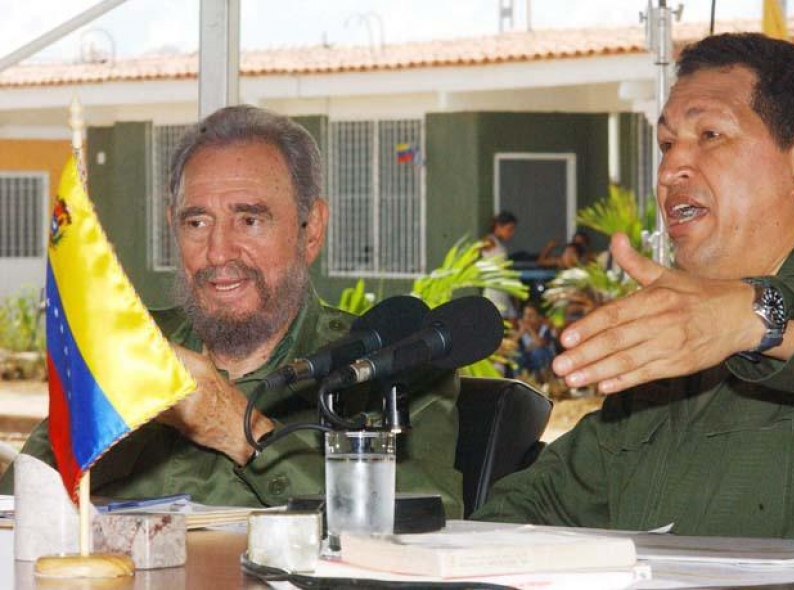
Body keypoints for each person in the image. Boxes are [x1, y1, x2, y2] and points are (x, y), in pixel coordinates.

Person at [474, 33, 794, 541]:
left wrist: (754, 317)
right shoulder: (675, 353)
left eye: (711, 135)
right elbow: (544, 504)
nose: (671, 167)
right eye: (667, 143)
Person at [0, 105, 463, 516]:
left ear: (311, 229)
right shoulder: (134, 348)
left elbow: (430, 527)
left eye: (250, 220)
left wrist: (240, 430)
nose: (219, 252)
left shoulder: (387, 368)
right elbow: (18, 504)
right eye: (197, 221)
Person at [480, 210, 518, 320]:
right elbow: (474, 252)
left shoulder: (498, 243)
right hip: (495, 289)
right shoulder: (489, 241)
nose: (511, 233)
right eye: (509, 229)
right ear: (498, 226)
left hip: (503, 288)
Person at [513, 301, 558, 384]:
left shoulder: (545, 329)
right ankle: (518, 382)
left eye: (531, 315)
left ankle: (544, 382)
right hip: (528, 359)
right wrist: (520, 333)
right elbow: (510, 345)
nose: (527, 318)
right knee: (516, 355)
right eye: (526, 315)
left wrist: (530, 330)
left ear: (539, 317)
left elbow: (540, 344)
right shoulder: (521, 329)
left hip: (545, 360)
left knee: (538, 352)